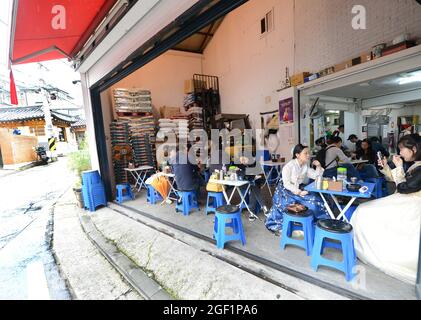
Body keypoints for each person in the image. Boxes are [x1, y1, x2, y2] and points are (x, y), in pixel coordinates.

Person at [351, 134, 421, 284]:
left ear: (414, 149)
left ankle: (371, 250)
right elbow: (398, 180)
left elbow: (403, 187)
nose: (400, 153)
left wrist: (399, 167)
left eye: (402, 149)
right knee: (365, 210)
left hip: (411, 205)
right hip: (404, 200)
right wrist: (387, 167)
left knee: (365, 211)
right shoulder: (416, 164)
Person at [265, 144, 330, 235]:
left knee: (317, 198)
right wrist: (299, 192)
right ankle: (315, 223)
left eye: (309, 153)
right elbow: (286, 183)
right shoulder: (289, 166)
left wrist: (318, 166)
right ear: (297, 155)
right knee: (312, 201)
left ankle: (319, 224)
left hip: (298, 189)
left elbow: (316, 176)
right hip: (285, 191)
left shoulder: (304, 166)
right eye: (305, 153)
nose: (308, 155)